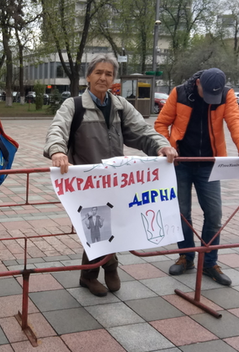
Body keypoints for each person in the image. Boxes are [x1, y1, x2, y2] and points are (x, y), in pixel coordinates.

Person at [43, 54, 177, 297]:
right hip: (86, 181)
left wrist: (161, 145)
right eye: (98, 73)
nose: (103, 78)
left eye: (108, 73)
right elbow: (57, 130)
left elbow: (142, 131)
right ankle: (104, 268)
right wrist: (57, 150)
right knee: (96, 226)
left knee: (109, 223)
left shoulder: (120, 106)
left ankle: (93, 272)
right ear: (88, 76)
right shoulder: (74, 105)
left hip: (115, 182)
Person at [155, 68, 239, 286]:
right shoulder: (180, 93)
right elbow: (161, 124)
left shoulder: (226, 95)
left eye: (215, 95)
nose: (211, 99)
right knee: (182, 213)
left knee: (214, 213)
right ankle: (186, 256)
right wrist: (165, 146)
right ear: (198, 82)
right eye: (207, 93)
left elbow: (235, 122)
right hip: (180, 163)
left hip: (210, 164)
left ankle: (210, 261)